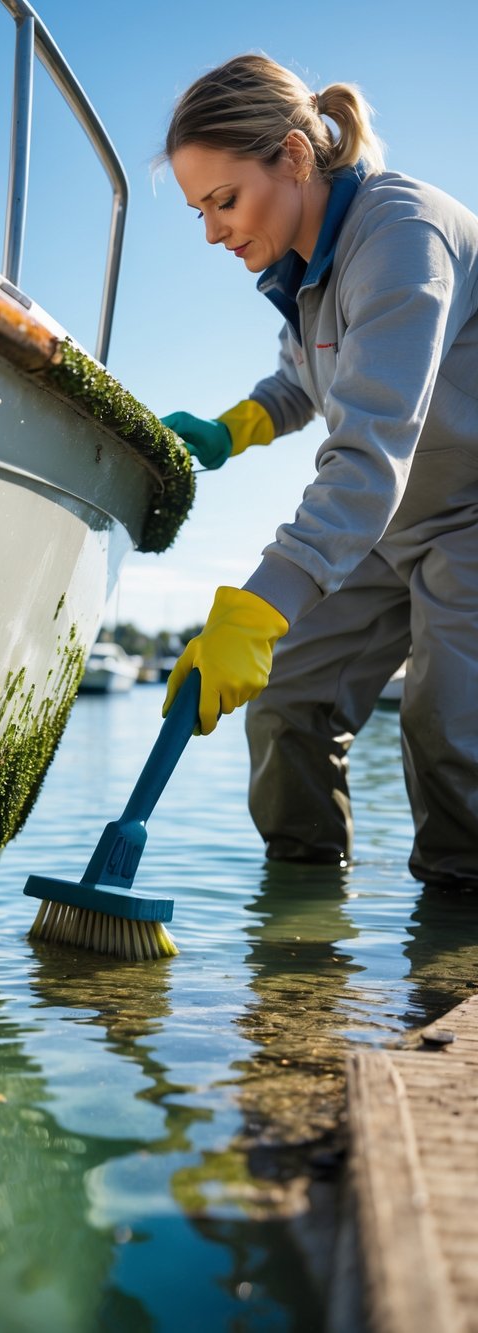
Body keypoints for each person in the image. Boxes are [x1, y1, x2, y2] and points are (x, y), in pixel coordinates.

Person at [159, 54, 478, 886]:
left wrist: (259, 609)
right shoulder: (300, 271)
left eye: (224, 201)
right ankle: (299, 935)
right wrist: (235, 428)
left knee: (449, 731)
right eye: (199, 210)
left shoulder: (404, 236)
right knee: (287, 704)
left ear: (295, 158)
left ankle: (453, 946)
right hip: (388, 524)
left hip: (470, 517)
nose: (212, 232)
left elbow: (367, 451)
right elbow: (306, 378)